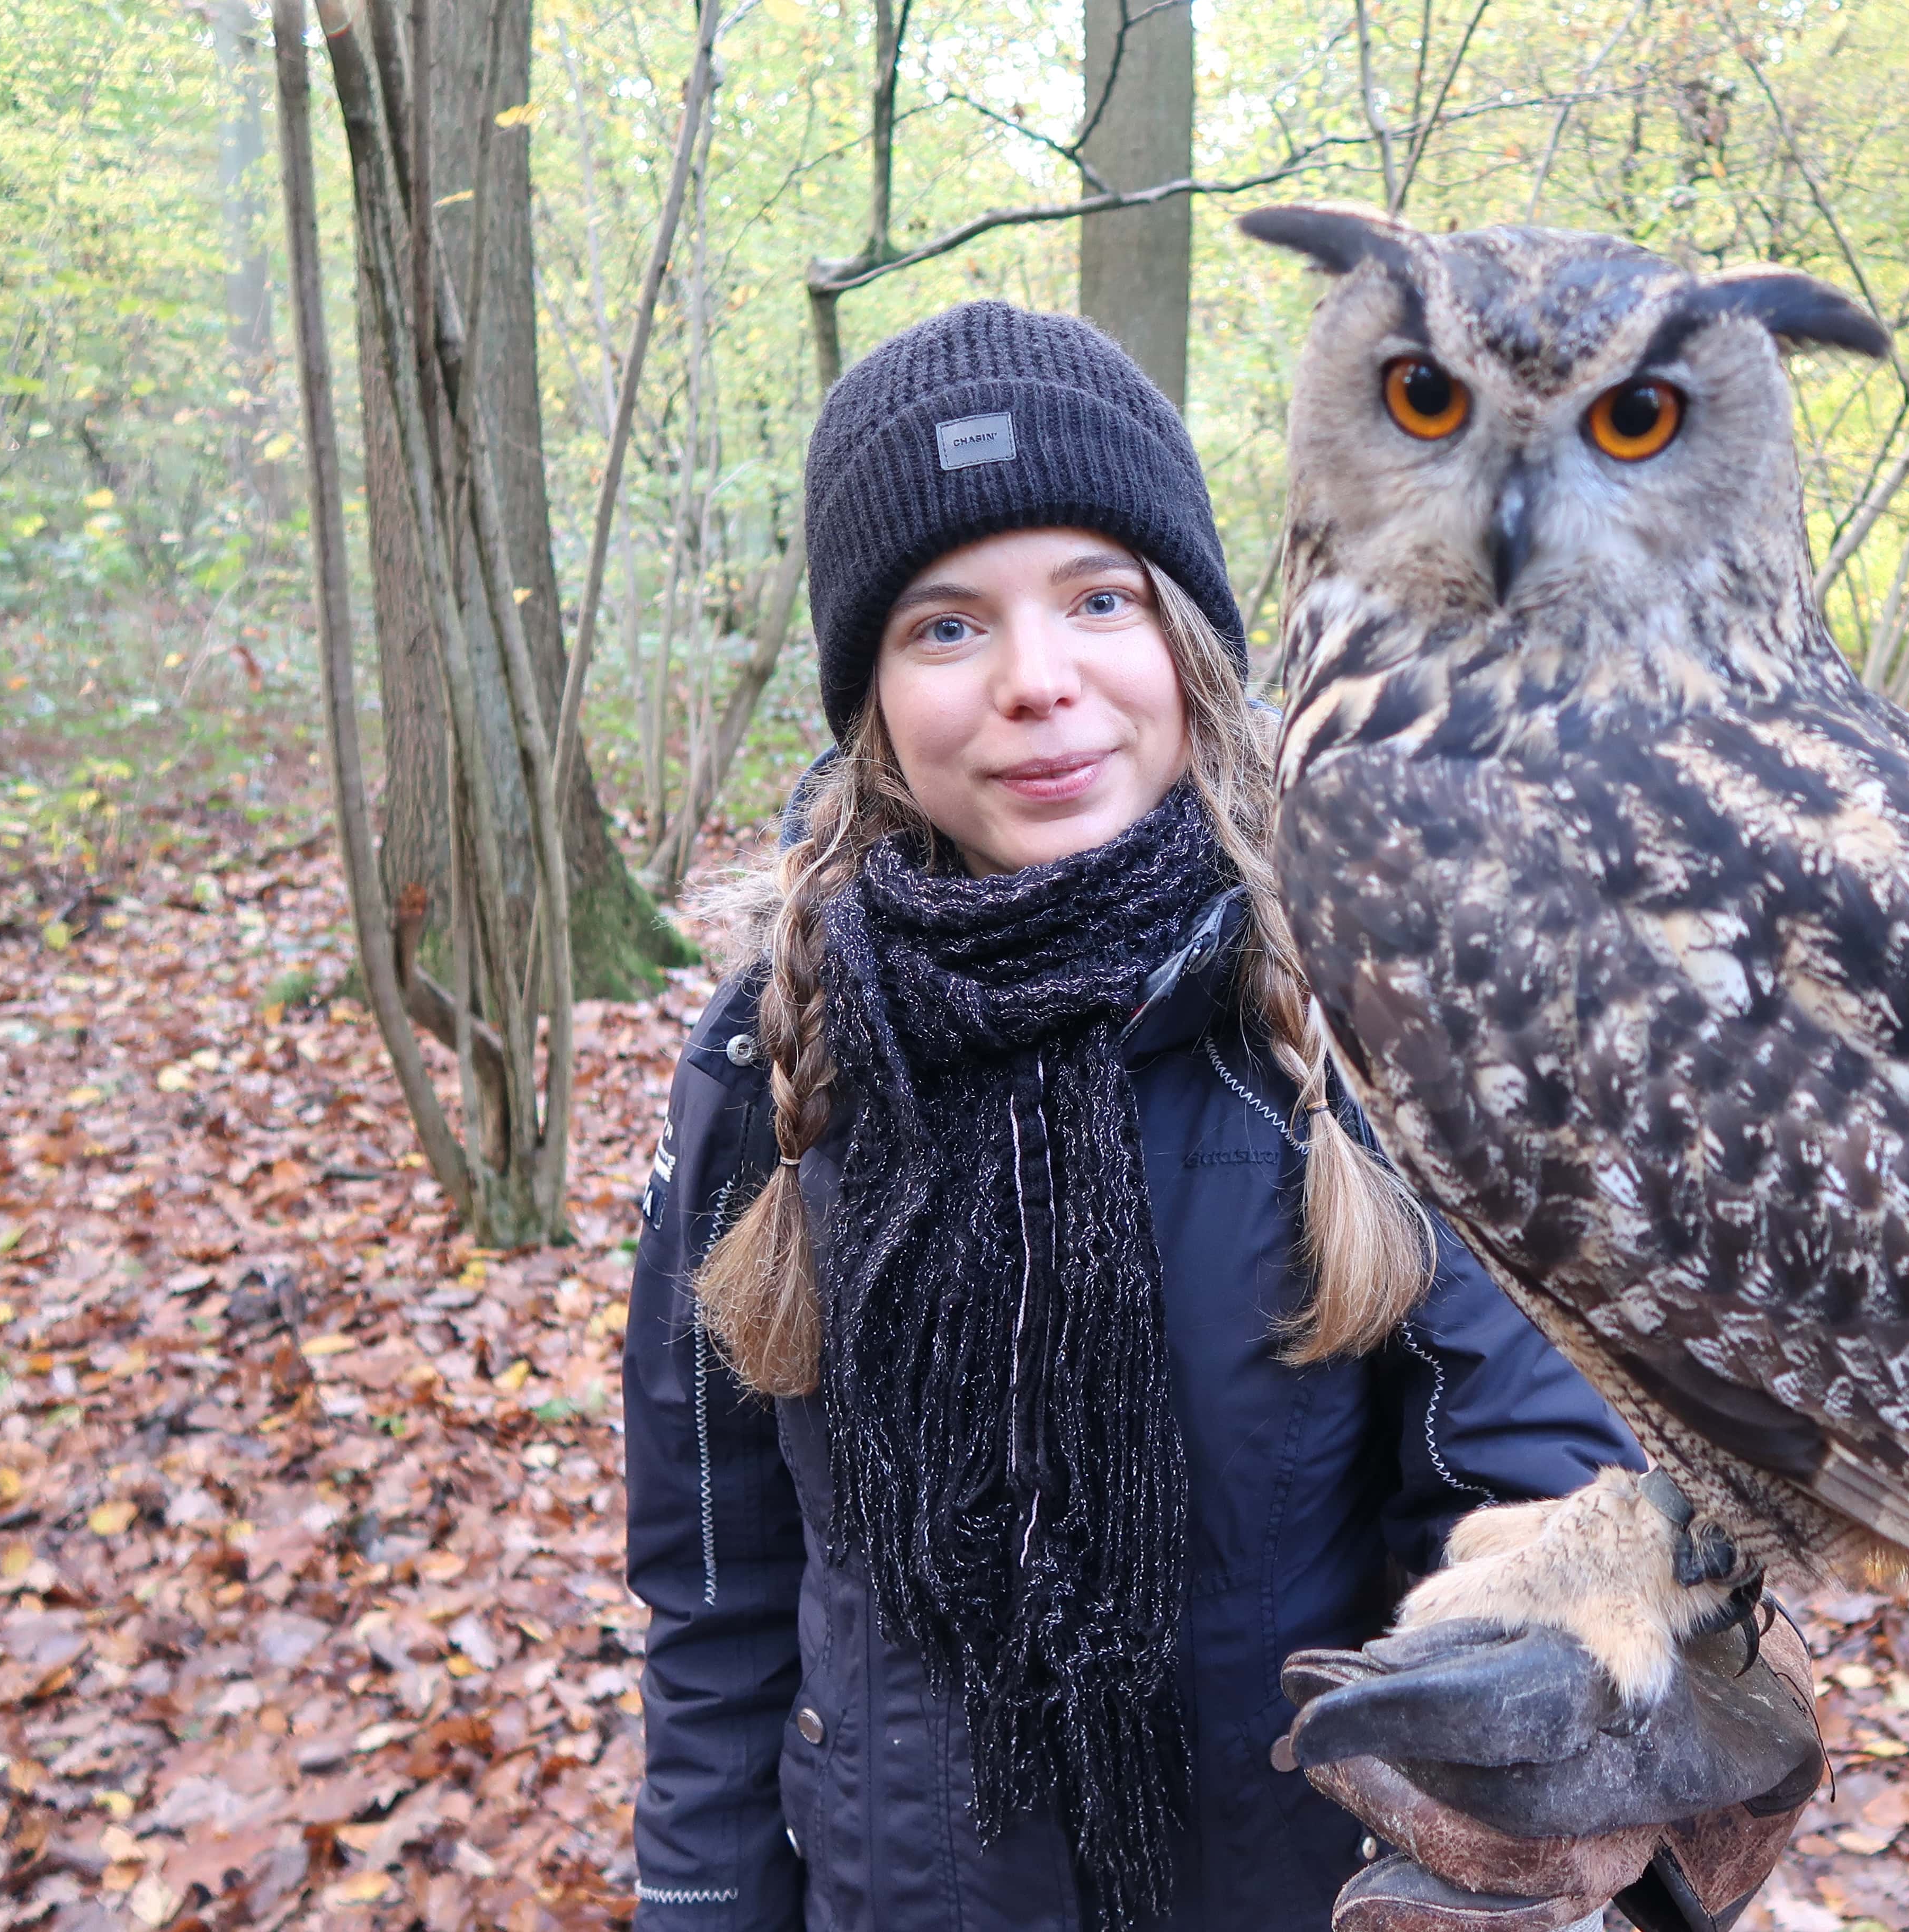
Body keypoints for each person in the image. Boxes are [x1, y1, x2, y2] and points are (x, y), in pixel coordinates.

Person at [620, 302, 1646, 1932]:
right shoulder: (777, 1065)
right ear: (870, 694)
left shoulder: (1370, 1027)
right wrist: (696, 1901)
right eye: (945, 628)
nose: (1039, 683)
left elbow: (1529, 1505)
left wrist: (1518, 1811)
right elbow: (717, 1586)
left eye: (1100, 599)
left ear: (1188, 636)